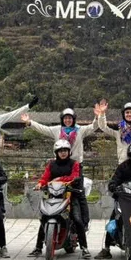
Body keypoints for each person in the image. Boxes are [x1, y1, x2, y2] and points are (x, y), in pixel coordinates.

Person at [22, 101, 106, 237]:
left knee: (79, 195)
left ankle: (84, 223)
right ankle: (49, 221)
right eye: (65, 118)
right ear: (62, 119)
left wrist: (99, 116)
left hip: (75, 166)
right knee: (54, 193)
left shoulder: (80, 130)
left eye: (70, 118)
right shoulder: (56, 130)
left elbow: (94, 127)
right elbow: (43, 129)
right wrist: (29, 122)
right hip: (59, 166)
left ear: (73, 120)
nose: (68, 120)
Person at [31, 139, 90, 258]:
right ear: (56, 152)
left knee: (77, 219)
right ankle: (38, 247)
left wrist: (59, 179)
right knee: (44, 218)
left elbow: (75, 177)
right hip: (53, 196)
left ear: (69, 152)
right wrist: (40, 184)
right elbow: (45, 178)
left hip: (71, 195)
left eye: (65, 151)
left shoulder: (75, 164)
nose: (63, 153)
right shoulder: (51, 164)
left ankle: (84, 248)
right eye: (60, 151)